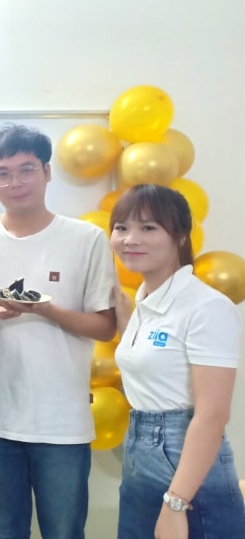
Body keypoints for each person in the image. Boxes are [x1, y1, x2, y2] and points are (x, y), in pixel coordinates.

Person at [0, 124, 116, 538]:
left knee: (64, 532)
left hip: (62, 422)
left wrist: (48, 311)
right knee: (4, 532)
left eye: (26, 169)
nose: (15, 182)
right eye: (3, 173)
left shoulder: (86, 239)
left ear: (47, 172)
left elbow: (105, 325)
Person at [110, 184, 245, 538]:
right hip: (139, 450)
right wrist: (124, 319)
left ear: (181, 236)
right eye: (121, 227)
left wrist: (176, 503)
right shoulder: (145, 302)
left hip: (185, 459)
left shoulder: (207, 307)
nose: (130, 239)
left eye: (148, 227)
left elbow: (212, 416)